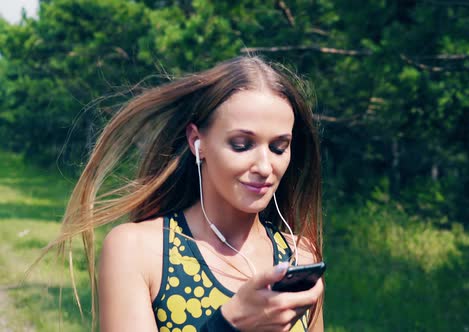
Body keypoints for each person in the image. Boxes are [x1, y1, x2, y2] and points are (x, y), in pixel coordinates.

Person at [48, 56, 324, 331]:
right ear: (197, 142)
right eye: (242, 145)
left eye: (279, 147)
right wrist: (229, 325)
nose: (265, 167)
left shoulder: (299, 257)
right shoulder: (138, 250)